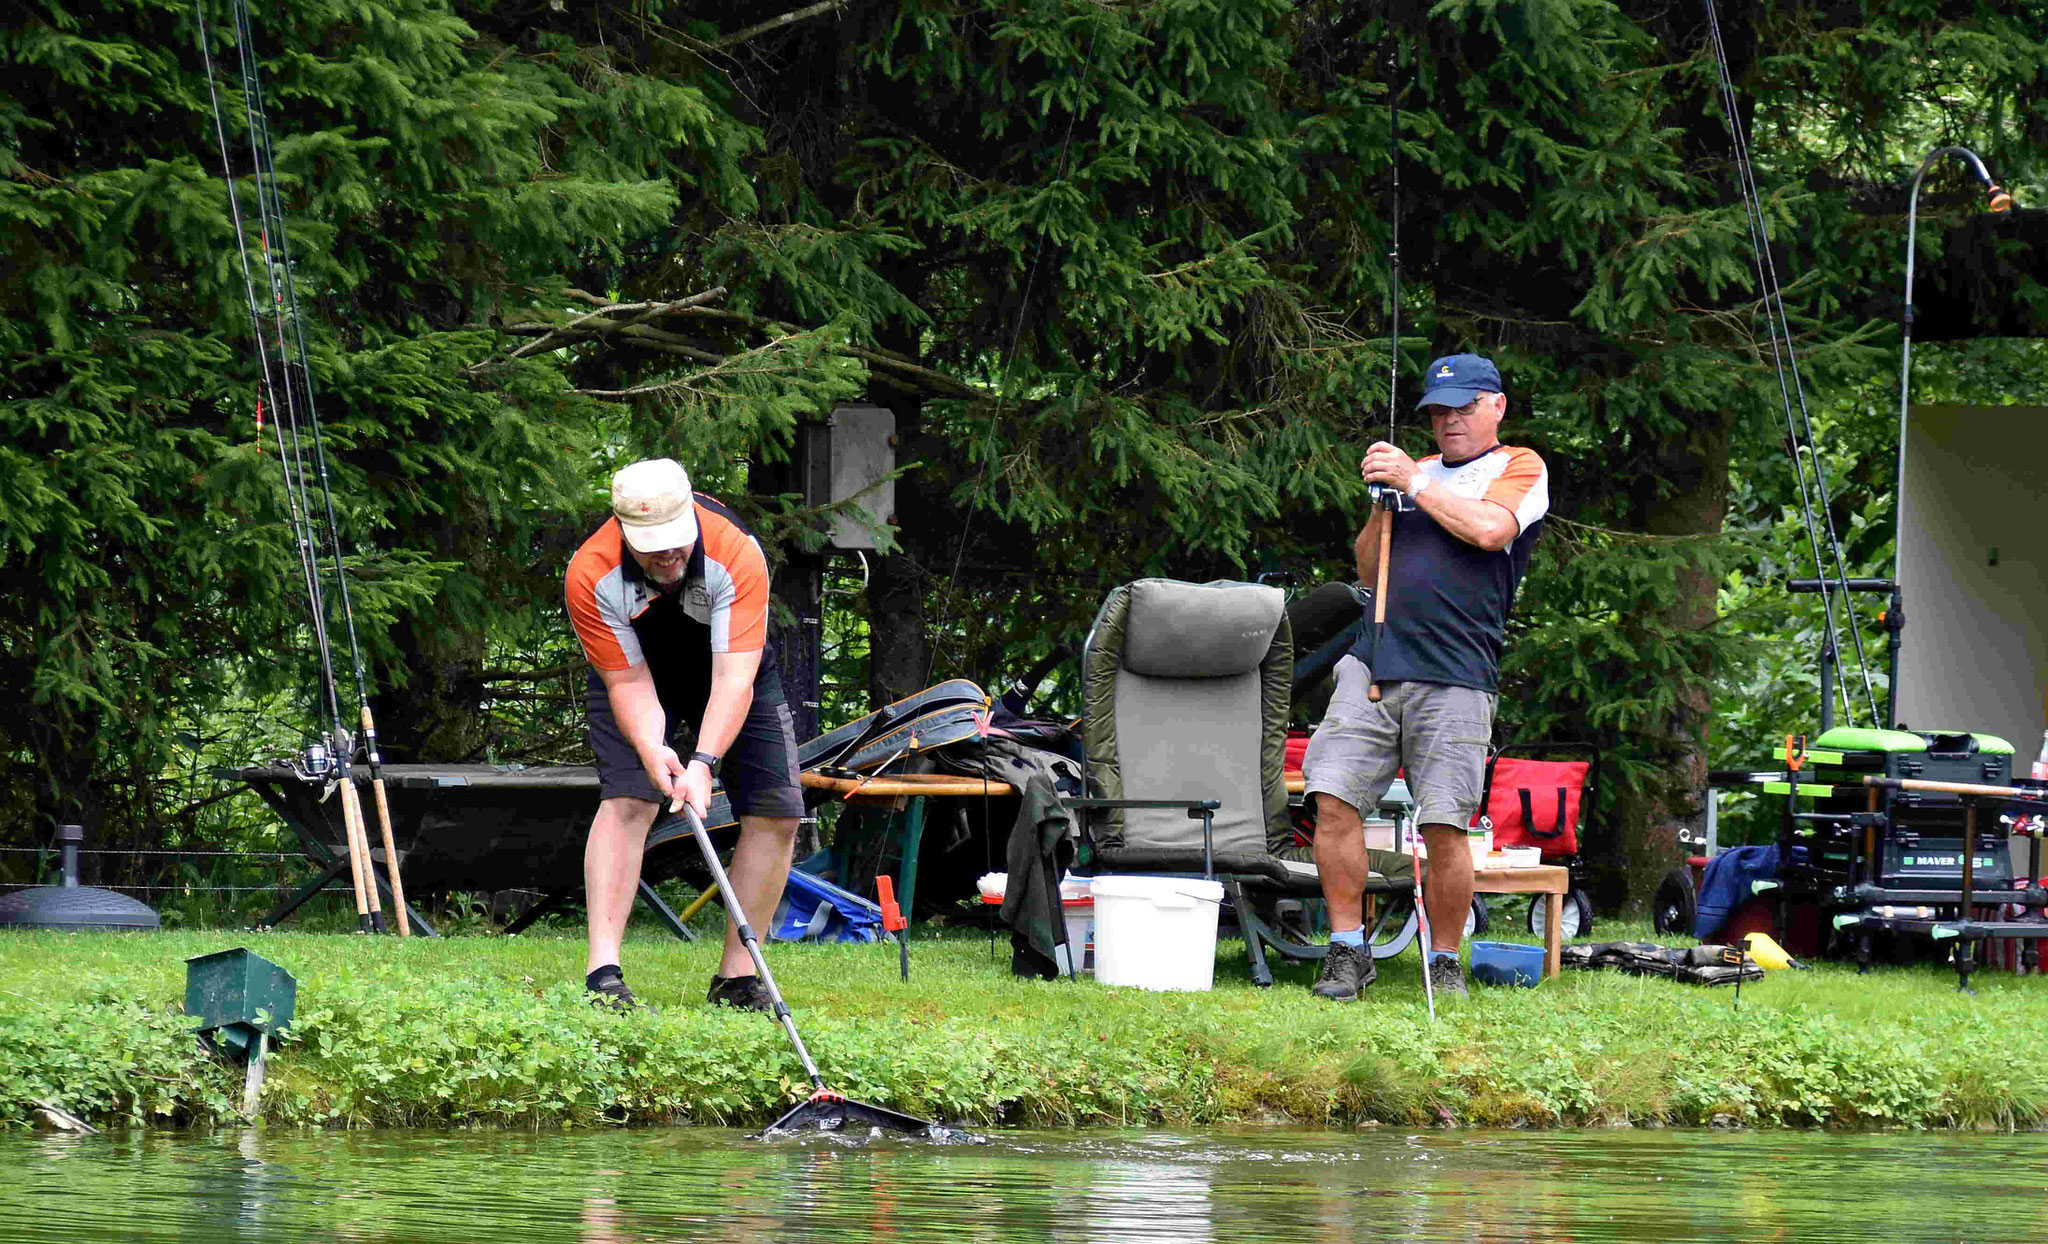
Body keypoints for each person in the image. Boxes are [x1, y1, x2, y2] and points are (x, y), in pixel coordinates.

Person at [1302, 353, 1549, 1000]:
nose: (1449, 421)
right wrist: (1384, 507)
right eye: (1439, 412)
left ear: (1496, 406)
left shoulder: (1517, 467)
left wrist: (1414, 485)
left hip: (1457, 671)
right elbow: (1366, 572)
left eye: (1464, 407)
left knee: (1445, 824)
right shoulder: (1410, 474)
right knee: (1332, 799)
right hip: (1373, 661)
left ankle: (1443, 960)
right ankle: (1347, 950)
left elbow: (1492, 531)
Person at [565, 458, 803, 1011]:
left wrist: (703, 762)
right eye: (651, 545)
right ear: (623, 529)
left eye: (676, 540)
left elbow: (734, 678)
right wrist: (653, 750)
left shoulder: (735, 550)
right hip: (636, 672)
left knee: (778, 811)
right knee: (629, 798)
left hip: (730, 669)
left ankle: (738, 982)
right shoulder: (590, 571)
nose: (668, 555)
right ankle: (604, 975)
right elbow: (626, 682)